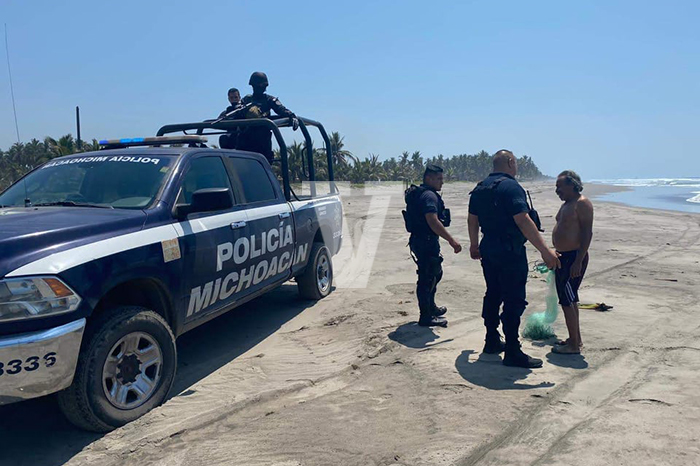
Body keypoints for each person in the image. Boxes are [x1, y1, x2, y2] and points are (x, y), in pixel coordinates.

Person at [468, 150, 560, 368]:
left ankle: (491, 340)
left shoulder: (480, 188)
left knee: (493, 293)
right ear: (510, 162)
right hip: (509, 251)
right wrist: (545, 251)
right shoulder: (511, 187)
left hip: (488, 248)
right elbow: (523, 220)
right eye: (516, 163)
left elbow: (472, 219)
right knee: (513, 299)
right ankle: (512, 350)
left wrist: (474, 244)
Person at [404, 164, 462, 327]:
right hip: (426, 241)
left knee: (435, 274)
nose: (442, 182)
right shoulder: (429, 196)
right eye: (439, 179)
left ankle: (431, 307)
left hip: (420, 240)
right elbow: (432, 220)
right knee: (427, 277)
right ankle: (426, 316)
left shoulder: (420, 193)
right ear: (429, 178)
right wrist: (451, 240)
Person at [551, 170, 594, 355]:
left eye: (560, 186)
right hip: (563, 257)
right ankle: (575, 339)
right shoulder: (567, 204)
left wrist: (578, 261)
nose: (557, 190)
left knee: (567, 301)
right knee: (571, 299)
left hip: (573, 258)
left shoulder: (582, 203)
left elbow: (587, 233)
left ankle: (574, 346)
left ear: (572, 185)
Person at [235, 72, 299, 164]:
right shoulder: (246, 100)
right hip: (245, 143)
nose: (263, 88)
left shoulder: (269, 99)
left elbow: (281, 109)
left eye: (264, 85)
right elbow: (236, 114)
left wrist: (292, 116)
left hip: (262, 144)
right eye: (261, 85)